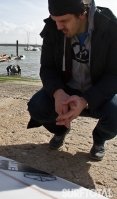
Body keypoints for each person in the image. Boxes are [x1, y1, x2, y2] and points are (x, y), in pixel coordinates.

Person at [27, 0, 117, 161]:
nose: (59, 26)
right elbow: (47, 67)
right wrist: (57, 93)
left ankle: (99, 139)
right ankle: (60, 131)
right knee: (36, 106)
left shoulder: (110, 27)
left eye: (64, 21)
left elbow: (114, 75)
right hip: (66, 89)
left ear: (82, 14)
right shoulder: (53, 28)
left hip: (98, 91)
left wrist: (86, 99)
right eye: (55, 21)